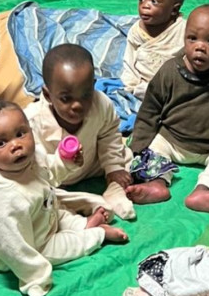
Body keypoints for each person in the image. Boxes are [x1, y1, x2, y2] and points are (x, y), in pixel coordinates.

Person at [0, 102, 128, 296]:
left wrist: (65, 161)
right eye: (1, 143)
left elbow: (49, 172)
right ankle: (97, 234)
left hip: (41, 214)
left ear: (31, 131)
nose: (15, 145)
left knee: (61, 213)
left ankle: (83, 224)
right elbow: (12, 247)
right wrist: (35, 277)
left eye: (20, 134)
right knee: (61, 246)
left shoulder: (33, 157)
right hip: (13, 248)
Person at [127, 4, 209, 214]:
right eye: (192, 38)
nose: (199, 47)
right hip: (171, 140)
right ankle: (156, 183)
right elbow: (150, 109)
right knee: (152, 151)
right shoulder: (170, 70)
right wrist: (138, 144)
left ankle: (203, 191)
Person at [25, 44, 136, 220]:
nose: (77, 105)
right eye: (66, 98)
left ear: (93, 86)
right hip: (55, 178)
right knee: (35, 192)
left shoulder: (101, 104)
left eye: (85, 95)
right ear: (47, 95)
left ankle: (114, 188)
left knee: (128, 158)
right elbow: (36, 162)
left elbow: (109, 135)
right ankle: (88, 205)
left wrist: (113, 168)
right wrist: (58, 168)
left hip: (93, 164)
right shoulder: (32, 122)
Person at [120, 0, 187, 99]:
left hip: (173, 84)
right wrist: (131, 84)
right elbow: (129, 59)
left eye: (154, 1)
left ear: (174, 9)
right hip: (144, 83)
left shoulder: (183, 30)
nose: (145, 6)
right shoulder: (137, 30)